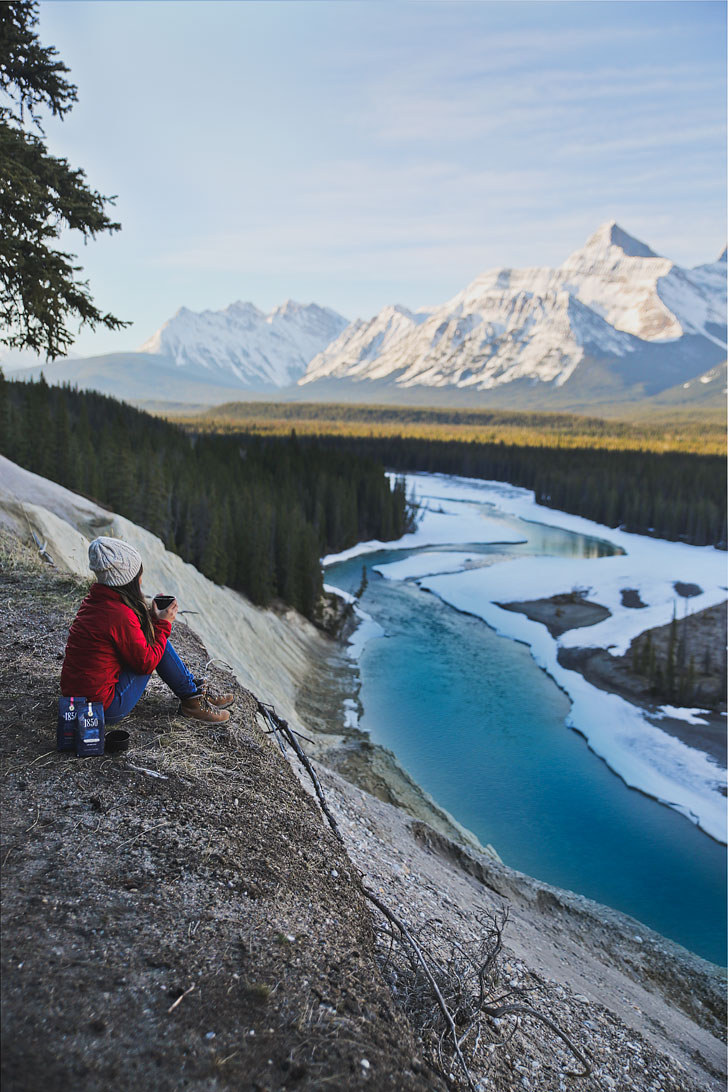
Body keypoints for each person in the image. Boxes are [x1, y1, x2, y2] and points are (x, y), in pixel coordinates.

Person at [60, 536, 233, 725]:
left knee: (154, 640)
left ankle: (193, 693)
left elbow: (126, 635)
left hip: (77, 699)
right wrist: (163, 624)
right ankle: (192, 701)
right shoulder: (118, 615)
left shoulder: (97, 601)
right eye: (138, 574)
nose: (141, 579)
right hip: (102, 709)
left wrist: (151, 617)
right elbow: (146, 663)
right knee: (158, 644)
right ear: (128, 580)